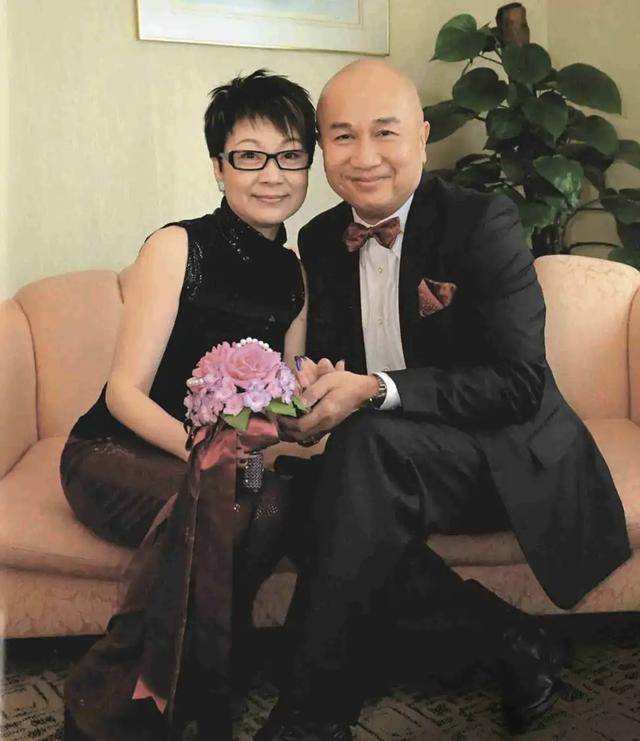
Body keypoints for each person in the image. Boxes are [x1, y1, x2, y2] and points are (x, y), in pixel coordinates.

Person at [256, 59, 631, 741]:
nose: (364, 156)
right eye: (342, 136)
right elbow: (341, 363)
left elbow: (520, 384)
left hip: (506, 454)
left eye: (385, 132)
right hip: (396, 461)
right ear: (321, 148)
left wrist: (373, 391)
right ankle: (510, 640)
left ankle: (313, 711)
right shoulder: (319, 239)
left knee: (364, 446)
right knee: (302, 490)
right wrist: (323, 389)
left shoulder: (481, 220)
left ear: (423, 137)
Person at [60, 69, 315, 740]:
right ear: (218, 166)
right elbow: (123, 393)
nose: (272, 174)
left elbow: (282, 399)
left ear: (308, 164)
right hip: (113, 451)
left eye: (291, 155)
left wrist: (311, 399)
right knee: (221, 500)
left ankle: (184, 680)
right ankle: (124, 704)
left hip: (219, 462)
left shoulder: (296, 274)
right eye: (249, 155)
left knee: (275, 501)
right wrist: (210, 455)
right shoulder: (178, 245)